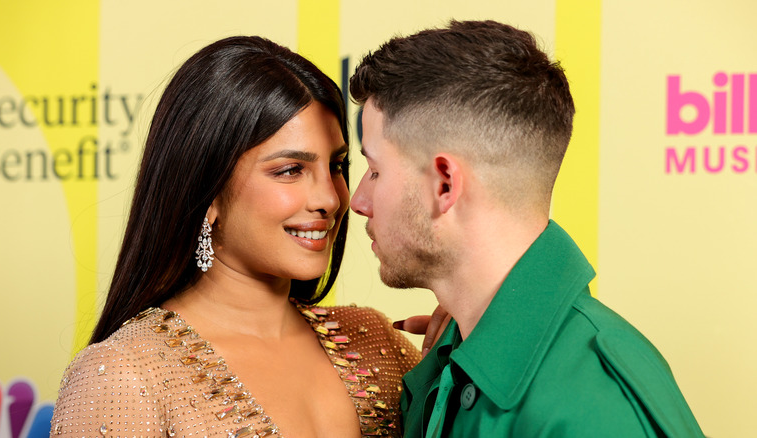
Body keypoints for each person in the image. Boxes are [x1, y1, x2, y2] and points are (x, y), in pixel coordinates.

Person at [348, 20, 705, 437]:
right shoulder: (452, 362)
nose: (357, 201)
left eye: (374, 171)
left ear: (443, 184)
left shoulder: (596, 407)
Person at [51, 36, 419, 438]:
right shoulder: (127, 375)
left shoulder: (377, 344)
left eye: (336, 165)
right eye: (290, 170)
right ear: (206, 192)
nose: (330, 199)